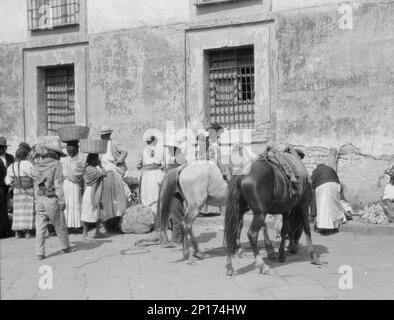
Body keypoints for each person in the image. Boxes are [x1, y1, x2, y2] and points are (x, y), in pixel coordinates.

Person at [31, 137, 71, 260]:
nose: (59, 157)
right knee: (59, 225)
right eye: (59, 155)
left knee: (40, 228)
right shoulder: (56, 165)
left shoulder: (38, 165)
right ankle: (65, 246)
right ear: (55, 155)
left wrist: (36, 199)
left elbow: (35, 183)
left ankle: (40, 253)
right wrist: (62, 201)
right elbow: (58, 184)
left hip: (40, 199)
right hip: (51, 199)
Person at [100, 126, 127, 231]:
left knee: (117, 196)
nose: (103, 137)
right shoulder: (100, 145)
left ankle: (116, 221)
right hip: (103, 171)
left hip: (114, 170)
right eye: (102, 135)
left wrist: (118, 161)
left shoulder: (114, 144)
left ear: (109, 135)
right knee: (104, 198)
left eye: (105, 135)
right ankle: (106, 221)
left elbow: (124, 152)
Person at [5, 147, 35, 238]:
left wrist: (13, 184)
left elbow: (7, 180)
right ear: (26, 155)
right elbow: (33, 174)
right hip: (28, 190)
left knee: (18, 212)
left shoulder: (12, 166)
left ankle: (17, 232)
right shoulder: (28, 164)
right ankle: (28, 232)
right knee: (28, 211)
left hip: (17, 191)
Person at [163, 141, 187, 245]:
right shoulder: (175, 157)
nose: (168, 150)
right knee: (174, 214)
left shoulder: (180, 158)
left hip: (176, 190)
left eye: (169, 148)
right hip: (171, 189)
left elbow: (182, 172)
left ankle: (178, 239)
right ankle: (176, 238)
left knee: (177, 213)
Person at [311, 163, 346, 235]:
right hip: (335, 186)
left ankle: (323, 227)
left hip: (324, 187)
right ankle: (334, 226)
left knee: (323, 207)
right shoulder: (331, 169)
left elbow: (311, 182)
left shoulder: (316, 170)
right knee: (334, 207)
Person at [81, 153, 107, 239]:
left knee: (97, 212)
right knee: (88, 212)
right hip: (90, 192)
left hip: (93, 191)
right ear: (93, 160)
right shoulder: (91, 169)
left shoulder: (90, 168)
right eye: (97, 159)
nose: (98, 160)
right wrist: (100, 165)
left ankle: (97, 232)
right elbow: (104, 173)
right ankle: (85, 233)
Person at [138, 136, 165, 215]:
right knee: (158, 194)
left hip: (147, 174)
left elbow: (138, 164)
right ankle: (158, 214)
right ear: (154, 141)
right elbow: (164, 164)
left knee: (146, 195)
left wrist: (143, 167)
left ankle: (148, 215)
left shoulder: (143, 150)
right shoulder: (161, 150)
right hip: (158, 173)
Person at [62, 141, 85, 231]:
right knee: (75, 203)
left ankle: (67, 225)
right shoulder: (79, 161)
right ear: (77, 150)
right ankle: (75, 225)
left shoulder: (64, 160)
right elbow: (80, 173)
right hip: (74, 184)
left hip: (66, 184)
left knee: (67, 203)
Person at [0, 137, 15, 238]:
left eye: (2, 147)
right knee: (1, 208)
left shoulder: (10, 157)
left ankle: (8, 230)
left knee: (9, 209)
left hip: (9, 187)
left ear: (5, 147)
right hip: (0, 186)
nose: (1, 149)